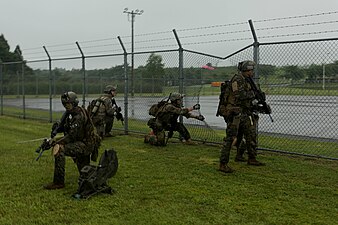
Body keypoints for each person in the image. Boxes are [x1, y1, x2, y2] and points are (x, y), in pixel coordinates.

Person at [44, 91, 101, 189]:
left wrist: (55, 142)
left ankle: (58, 182)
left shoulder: (78, 115)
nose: (66, 106)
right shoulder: (71, 114)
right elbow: (67, 129)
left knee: (59, 149)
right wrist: (57, 128)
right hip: (81, 142)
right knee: (85, 172)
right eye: (65, 104)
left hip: (85, 144)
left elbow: (71, 137)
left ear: (74, 102)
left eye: (68, 104)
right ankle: (97, 172)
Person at [219, 60, 265, 173]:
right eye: (250, 70)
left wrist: (259, 96)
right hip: (235, 113)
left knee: (251, 134)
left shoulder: (248, 80)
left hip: (245, 112)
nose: (252, 72)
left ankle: (252, 158)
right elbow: (239, 95)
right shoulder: (237, 79)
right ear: (245, 70)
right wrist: (254, 94)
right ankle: (223, 164)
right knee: (230, 138)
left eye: (252, 70)